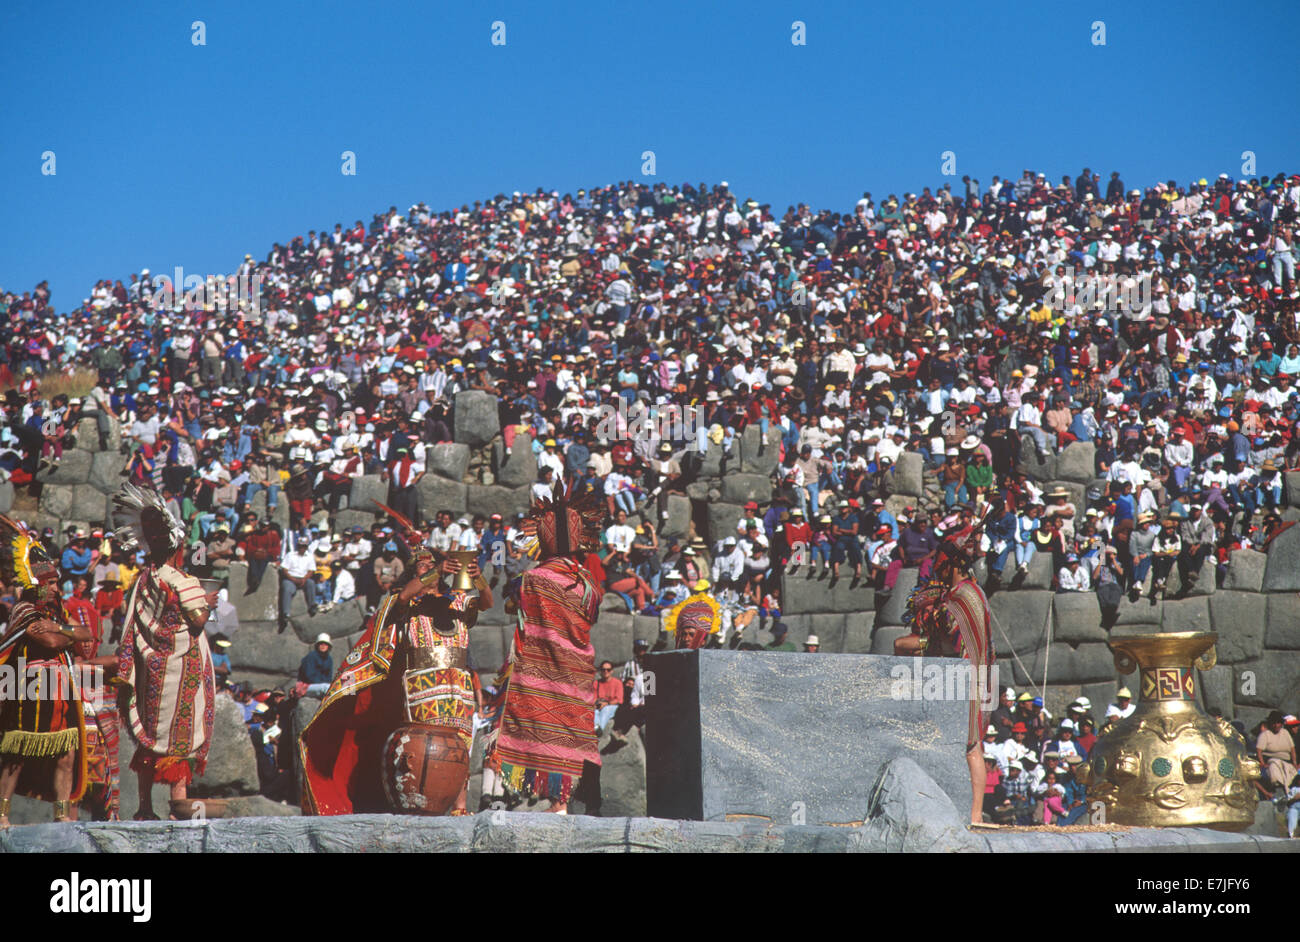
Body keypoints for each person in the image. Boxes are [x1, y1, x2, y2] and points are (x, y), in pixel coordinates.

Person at [300, 510, 492, 815]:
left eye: (433, 566)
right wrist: (436, 569)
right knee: (422, 744)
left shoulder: (456, 602)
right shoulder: (407, 604)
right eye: (423, 568)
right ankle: (416, 802)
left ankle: (459, 806)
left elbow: (487, 602)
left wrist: (477, 576)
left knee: (461, 743)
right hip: (423, 681)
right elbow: (402, 597)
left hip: (458, 683)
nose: (429, 571)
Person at [484, 481, 604, 814]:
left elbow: (512, 603)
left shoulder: (532, 579)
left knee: (536, 729)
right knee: (571, 736)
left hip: (539, 670)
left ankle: (544, 799)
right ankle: (562, 800)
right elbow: (590, 614)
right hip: (576, 673)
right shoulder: (589, 587)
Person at [112, 484, 218, 820]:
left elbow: (136, 627)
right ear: (179, 545)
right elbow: (198, 620)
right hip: (182, 671)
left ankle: (144, 808)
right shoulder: (180, 579)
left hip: (151, 669)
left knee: (150, 736)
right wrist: (208, 604)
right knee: (180, 738)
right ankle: (178, 809)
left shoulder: (144, 579)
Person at [0, 516, 95, 828]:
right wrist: (61, 632)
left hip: (60, 690)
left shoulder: (57, 614)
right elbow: (52, 641)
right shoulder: (24, 610)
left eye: (57, 582)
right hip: (28, 689)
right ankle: (1, 816)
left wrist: (59, 626)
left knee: (66, 756)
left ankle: (61, 816)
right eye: (51, 583)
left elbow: (88, 633)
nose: (57, 587)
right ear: (37, 585)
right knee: (17, 756)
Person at [894, 534, 995, 826]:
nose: (937, 568)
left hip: (968, 676)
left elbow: (955, 636)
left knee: (971, 744)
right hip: (955, 675)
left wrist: (932, 620)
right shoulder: (958, 594)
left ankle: (975, 815)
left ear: (951, 563)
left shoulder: (965, 595)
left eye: (940, 562)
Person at [1257, 710, 1299, 798]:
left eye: (1278, 723)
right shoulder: (1265, 735)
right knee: (1274, 772)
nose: (1276, 725)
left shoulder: (1285, 733)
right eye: (1274, 723)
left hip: (1286, 762)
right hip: (1272, 761)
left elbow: (1292, 749)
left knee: (1293, 774)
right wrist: (1262, 763)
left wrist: (1294, 763)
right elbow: (1259, 750)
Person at [299, 633, 334, 697]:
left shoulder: (329, 659)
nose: (323, 645)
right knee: (326, 688)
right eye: (321, 643)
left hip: (319, 686)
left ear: (328, 646)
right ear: (317, 645)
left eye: (325, 644)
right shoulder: (311, 656)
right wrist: (323, 683)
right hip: (304, 687)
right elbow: (309, 677)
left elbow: (329, 677)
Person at [593, 661, 622, 731]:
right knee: (594, 711)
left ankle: (600, 730)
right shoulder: (596, 683)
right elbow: (593, 698)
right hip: (599, 705)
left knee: (605, 710)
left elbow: (619, 700)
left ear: (612, 671)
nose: (606, 671)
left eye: (608, 670)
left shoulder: (617, 683)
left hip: (611, 706)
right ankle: (597, 729)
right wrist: (596, 705)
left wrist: (606, 704)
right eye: (603, 670)